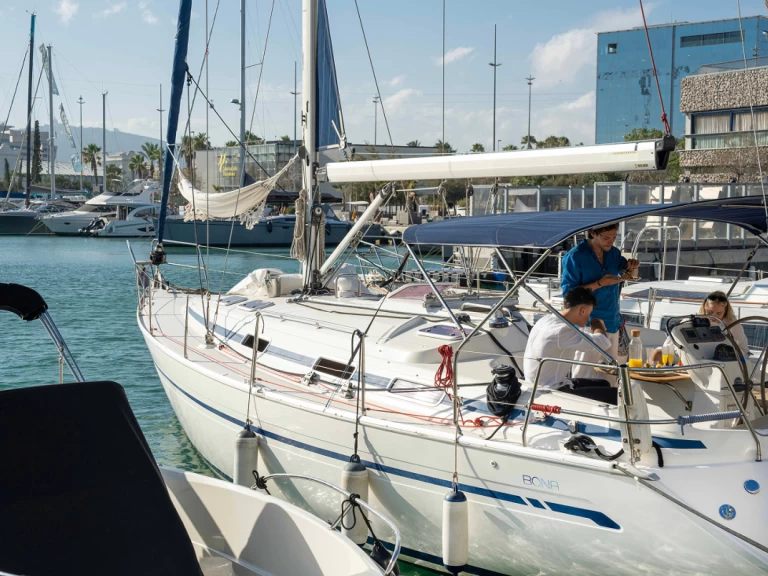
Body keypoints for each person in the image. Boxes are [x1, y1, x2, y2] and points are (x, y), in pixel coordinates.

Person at [560, 223, 640, 366]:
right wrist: (599, 284)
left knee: (611, 375)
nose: (611, 241)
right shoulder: (575, 256)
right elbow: (569, 295)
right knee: (585, 374)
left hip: (612, 321)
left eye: (614, 237)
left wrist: (631, 265)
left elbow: (625, 268)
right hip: (587, 324)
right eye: (606, 237)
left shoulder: (614, 253)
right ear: (593, 233)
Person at [524, 287, 615, 403]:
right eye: (589, 313)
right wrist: (597, 325)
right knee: (615, 395)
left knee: (604, 383)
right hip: (551, 390)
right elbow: (603, 342)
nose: (588, 318)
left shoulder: (545, 321)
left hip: (537, 383)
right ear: (582, 310)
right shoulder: (561, 331)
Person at [652, 291, 749, 362]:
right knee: (658, 353)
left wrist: (727, 353)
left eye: (719, 313)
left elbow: (744, 350)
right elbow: (668, 346)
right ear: (704, 307)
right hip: (691, 360)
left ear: (726, 311)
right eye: (710, 312)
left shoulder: (733, 325)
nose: (713, 317)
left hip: (720, 361)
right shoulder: (689, 322)